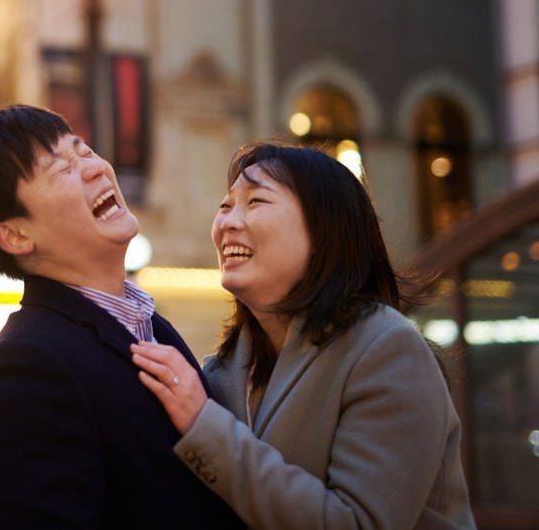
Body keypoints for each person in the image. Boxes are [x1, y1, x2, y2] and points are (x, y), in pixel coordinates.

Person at [131, 141, 476, 530]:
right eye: (226, 206)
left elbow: (357, 523)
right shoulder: (222, 372)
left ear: (322, 230)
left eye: (256, 202)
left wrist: (203, 425)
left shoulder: (387, 348)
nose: (227, 222)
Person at [0, 105, 242, 530]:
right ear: (16, 234)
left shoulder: (150, 325)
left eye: (84, 149)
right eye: (61, 169)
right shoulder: (22, 372)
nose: (96, 168)